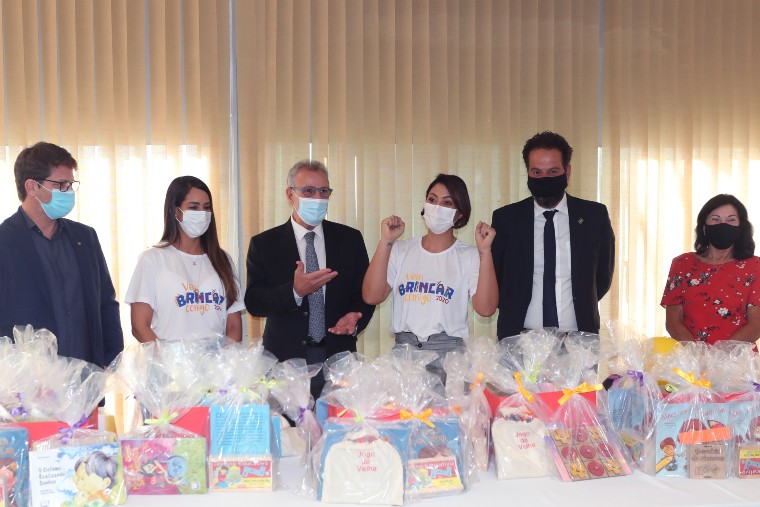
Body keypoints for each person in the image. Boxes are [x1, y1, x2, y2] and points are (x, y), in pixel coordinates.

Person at [244, 160, 375, 397]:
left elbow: (364, 294)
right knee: (286, 422)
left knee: (339, 420)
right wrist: (294, 291)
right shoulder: (264, 244)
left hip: (338, 359)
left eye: (323, 191)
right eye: (308, 191)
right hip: (285, 362)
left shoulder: (350, 239)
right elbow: (254, 302)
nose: (317, 198)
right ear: (290, 195)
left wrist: (356, 317)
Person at [362, 174, 498, 378]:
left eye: (447, 203)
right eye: (432, 200)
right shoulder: (401, 249)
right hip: (404, 354)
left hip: (449, 357)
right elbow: (371, 296)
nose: (437, 207)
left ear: (459, 214)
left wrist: (485, 252)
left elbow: (486, 309)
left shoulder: (469, 255)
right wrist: (386, 241)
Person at [0, 142, 123, 367]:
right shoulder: (4, 241)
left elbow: (106, 301)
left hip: (87, 374)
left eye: (71, 184)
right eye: (61, 185)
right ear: (32, 186)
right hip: (29, 379)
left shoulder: (85, 237)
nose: (69, 192)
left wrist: (111, 357)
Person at [491, 131, 615, 338]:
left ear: (567, 172)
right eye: (537, 172)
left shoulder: (594, 216)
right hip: (520, 340)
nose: (544, 178)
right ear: (528, 172)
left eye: (553, 171)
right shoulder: (506, 219)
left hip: (578, 340)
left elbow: (603, 277)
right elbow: (495, 280)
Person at [125, 176, 244, 342]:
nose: (202, 214)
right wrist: (166, 358)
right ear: (175, 211)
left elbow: (234, 325)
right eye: (193, 207)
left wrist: (226, 357)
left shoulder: (223, 259)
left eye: (207, 207)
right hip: (167, 357)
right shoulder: (152, 259)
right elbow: (139, 325)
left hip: (217, 357)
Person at [661, 194, 760, 344]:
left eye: (731, 220)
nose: (723, 225)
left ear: (741, 228)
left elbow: (756, 325)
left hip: (737, 357)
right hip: (690, 356)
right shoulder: (682, 263)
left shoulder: (755, 266)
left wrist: (718, 354)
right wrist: (697, 353)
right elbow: (673, 322)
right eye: (715, 219)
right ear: (704, 227)